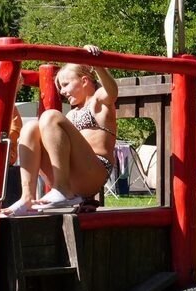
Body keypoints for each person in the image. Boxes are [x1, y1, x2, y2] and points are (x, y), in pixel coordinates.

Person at [11, 63, 117, 211]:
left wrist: (98, 65)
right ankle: (27, 197)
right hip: (74, 178)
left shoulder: (98, 101)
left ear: (84, 81)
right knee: (31, 128)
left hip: (94, 172)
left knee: (50, 116)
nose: (63, 91)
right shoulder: (71, 114)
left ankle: (62, 189)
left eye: (66, 85)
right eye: (60, 87)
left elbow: (111, 92)